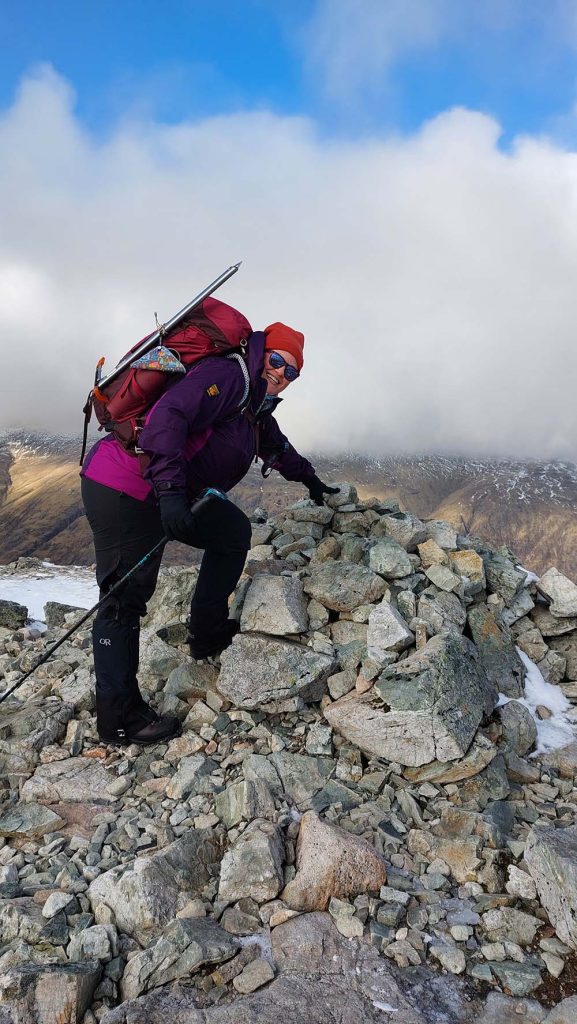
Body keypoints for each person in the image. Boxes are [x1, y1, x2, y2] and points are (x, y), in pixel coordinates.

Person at [80, 318, 337, 746]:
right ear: (262, 353)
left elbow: (274, 444)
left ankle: (207, 633)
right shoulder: (228, 376)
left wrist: (309, 478)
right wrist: (171, 492)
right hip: (124, 485)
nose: (280, 374)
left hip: (167, 489)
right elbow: (169, 416)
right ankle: (119, 718)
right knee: (123, 600)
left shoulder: (252, 403)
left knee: (232, 532)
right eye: (277, 361)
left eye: (291, 371)